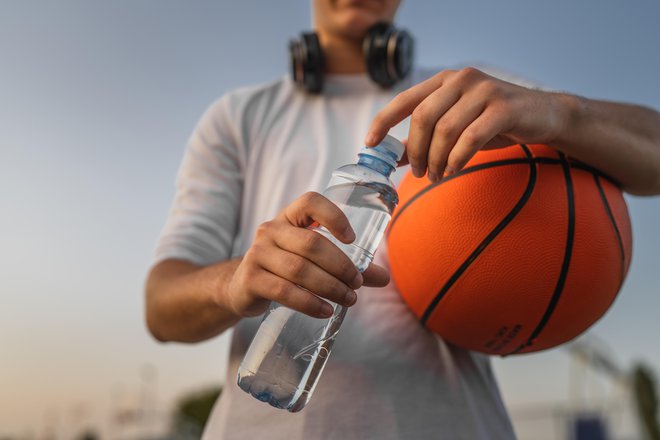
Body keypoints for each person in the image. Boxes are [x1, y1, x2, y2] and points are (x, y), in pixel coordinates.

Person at [145, 1, 660, 438]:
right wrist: (234, 282)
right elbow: (161, 306)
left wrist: (563, 114)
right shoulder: (238, 117)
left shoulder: (472, 95)